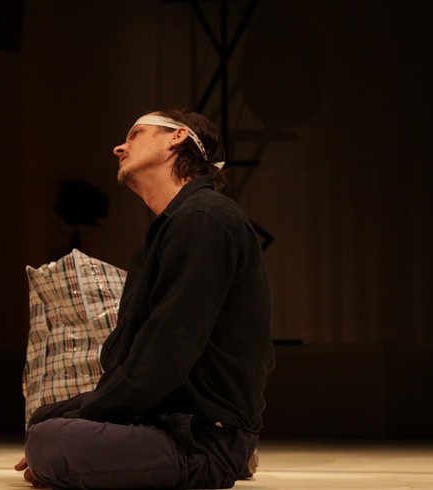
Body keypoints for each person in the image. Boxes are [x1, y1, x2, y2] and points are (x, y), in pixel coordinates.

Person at [15, 108, 274, 489]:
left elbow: (167, 351)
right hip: (169, 413)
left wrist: (81, 428)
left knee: (50, 442)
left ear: (177, 137)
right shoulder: (170, 227)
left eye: (136, 134)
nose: (119, 147)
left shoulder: (205, 219)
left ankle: (222, 460)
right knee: (43, 420)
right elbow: (135, 354)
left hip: (201, 433)